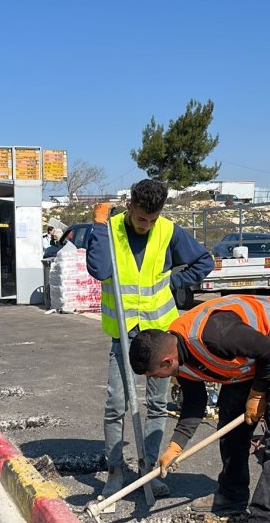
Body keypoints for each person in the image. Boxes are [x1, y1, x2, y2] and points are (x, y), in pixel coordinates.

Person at [128, 295, 270, 523]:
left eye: (152, 374)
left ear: (166, 361)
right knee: (230, 426)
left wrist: (259, 393)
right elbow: (194, 402)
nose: (152, 379)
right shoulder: (179, 355)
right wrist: (175, 447)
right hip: (252, 361)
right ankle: (232, 494)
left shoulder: (215, 336)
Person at [86, 178, 214, 499]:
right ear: (130, 206)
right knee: (117, 402)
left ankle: (150, 470)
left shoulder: (168, 231)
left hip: (160, 334)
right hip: (124, 334)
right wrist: (99, 224)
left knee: (157, 404)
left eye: (153, 219)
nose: (147, 225)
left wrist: (176, 281)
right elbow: (100, 270)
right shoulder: (110, 229)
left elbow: (205, 261)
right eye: (142, 217)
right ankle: (114, 471)